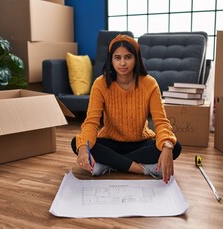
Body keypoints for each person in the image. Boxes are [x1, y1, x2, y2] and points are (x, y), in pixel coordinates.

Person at [71, 34, 181, 183]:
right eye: (117, 58)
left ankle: (108, 164)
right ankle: (142, 169)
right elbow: (91, 122)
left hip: (140, 142)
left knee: (175, 147)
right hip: (110, 142)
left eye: (128, 57)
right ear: (111, 59)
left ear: (136, 58)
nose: (122, 63)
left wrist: (167, 147)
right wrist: (84, 148)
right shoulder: (100, 84)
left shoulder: (150, 83)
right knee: (77, 143)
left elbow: (161, 122)